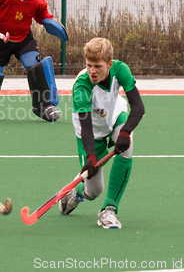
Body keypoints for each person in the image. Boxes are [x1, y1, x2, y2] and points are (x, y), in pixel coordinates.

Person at [59, 38, 145, 229]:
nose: (92, 71)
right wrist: (91, 156)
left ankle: (109, 210)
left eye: (97, 66)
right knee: (94, 190)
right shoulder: (81, 86)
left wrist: (125, 132)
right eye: (89, 65)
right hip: (91, 130)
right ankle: (77, 192)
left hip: (114, 115)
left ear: (109, 64)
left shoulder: (121, 70)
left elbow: (138, 107)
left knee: (127, 144)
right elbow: (86, 126)